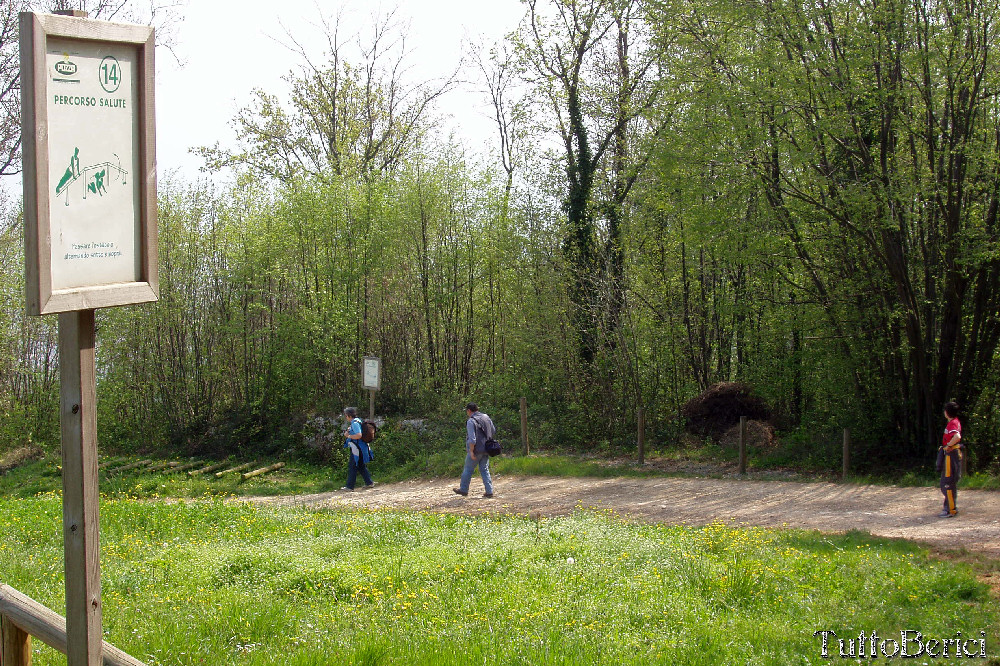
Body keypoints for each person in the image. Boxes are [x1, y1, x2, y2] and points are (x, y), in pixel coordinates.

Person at [453, 402, 495, 498]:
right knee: (484, 469)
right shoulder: (486, 417)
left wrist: (471, 451)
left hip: (476, 449)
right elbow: (493, 430)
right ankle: (489, 491)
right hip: (487, 448)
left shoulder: (471, 421)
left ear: (469, 410)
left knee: (468, 469)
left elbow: (472, 439)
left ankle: (463, 490)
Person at [937, 401, 962, 518]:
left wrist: (948, 446)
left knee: (947, 483)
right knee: (948, 482)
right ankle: (948, 507)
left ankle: (950, 509)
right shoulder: (954, 422)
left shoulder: (953, 423)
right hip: (952, 454)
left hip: (951, 455)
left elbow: (957, 436)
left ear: (947, 412)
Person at [341, 407, 374, 491]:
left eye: (346, 415)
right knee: (360, 466)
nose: (346, 417)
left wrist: (348, 436)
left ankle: (350, 487)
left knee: (352, 466)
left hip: (357, 448)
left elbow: (359, 435)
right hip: (361, 447)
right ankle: (369, 483)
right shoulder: (358, 421)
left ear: (349, 415)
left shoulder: (355, 423)